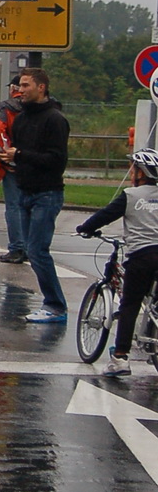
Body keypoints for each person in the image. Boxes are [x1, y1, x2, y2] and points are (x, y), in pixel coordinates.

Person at [0, 67, 70, 323]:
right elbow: (20, 152)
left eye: (26, 85)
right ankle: (52, 303)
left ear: (41, 88)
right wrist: (7, 157)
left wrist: (20, 155)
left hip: (46, 193)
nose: (20, 90)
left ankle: (56, 305)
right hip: (24, 189)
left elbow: (56, 160)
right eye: (19, 86)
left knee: (38, 250)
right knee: (30, 250)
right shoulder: (23, 118)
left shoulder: (54, 119)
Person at [77, 150, 158, 376]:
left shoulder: (130, 195)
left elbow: (105, 215)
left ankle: (120, 357)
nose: (131, 172)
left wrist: (85, 228)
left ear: (141, 173)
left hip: (141, 256)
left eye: (133, 168)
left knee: (130, 305)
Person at [0, 79, 27, 264]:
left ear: (13, 89)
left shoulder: (7, 109)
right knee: (31, 205)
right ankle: (31, 245)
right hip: (35, 163)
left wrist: (0, 156)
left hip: (12, 163)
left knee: (14, 206)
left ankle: (17, 247)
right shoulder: (43, 107)